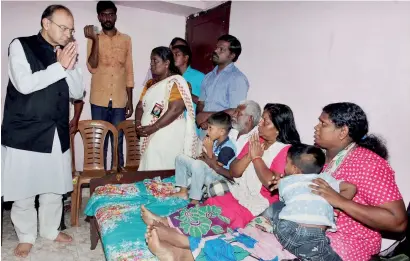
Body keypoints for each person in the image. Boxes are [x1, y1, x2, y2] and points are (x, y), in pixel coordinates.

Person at [143, 102, 408, 261]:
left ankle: (185, 253)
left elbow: (397, 222)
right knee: (249, 235)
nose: (316, 127)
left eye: (323, 123)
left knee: (261, 248)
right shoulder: (324, 160)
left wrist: (337, 199)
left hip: (342, 242)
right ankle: (187, 247)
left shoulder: (369, 163)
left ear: (343, 132)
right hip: (302, 225)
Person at [140, 103, 301, 238]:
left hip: (258, 202)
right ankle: (167, 221)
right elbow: (235, 171)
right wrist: (250, 156)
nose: (260, 124)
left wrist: (257, 158)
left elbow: (269, 182)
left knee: (225, 213)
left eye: (265, 122)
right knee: (214, 189)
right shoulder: (255, 140)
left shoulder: (285, 151)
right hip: (239, 189)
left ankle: (174, 231)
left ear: (278, 128)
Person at [1, 4, 84, 258]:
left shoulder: (66, 52)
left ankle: (49, 229)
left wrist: (68, 67)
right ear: (46, 23)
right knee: (23, 189)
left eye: (71, 29)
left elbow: (78, 92)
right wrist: (59, 67)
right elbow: (24, 84)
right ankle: (26, 236)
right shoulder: (20, 45)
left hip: (55, 131)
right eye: (63, 28)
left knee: (54, 188)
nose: (68, 33)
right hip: (24, 130)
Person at [264, 144, 356, 261]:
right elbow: (351, 188)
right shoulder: (325, 179)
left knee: (277, 207)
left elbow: (285, 203)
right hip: (315, 236)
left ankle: (265, 216)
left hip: (286, 229)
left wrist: (282, 183)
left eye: (287, 162)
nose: (284, 166)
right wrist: (335, 207)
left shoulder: (285, 181)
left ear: (294, 169)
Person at [84, 0, 134, 170]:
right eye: (104, 14)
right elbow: (92, 66)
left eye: (111, 14)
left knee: (118, 139)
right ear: (99, 17)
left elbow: (129, 70)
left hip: (120, 99)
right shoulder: (93, 38)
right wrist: (95, 41)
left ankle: (118, 178)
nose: (108, 18)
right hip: (99, 99)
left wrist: (130, 100)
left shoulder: (126, 40)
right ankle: (100, 179)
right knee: (100, 140)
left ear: (115, 16)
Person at [135, 47, 198, 171]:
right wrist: (137, 124)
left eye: (155, 61)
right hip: (148, 132)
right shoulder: (150, 84)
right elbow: (139, 106)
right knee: (150, 167)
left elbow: (175, 109)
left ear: (166, 63)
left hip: (169, 133)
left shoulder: (177, 82)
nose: (151, 64)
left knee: (164, 169)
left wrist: (154, 127)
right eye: (150, 61)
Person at [172, 112, 236, 204]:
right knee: (180, 158)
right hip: (207, 171)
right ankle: (183, 191)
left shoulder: (228, 148)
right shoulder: (215, 141)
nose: (207, 131)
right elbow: (205, 158)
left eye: (211, 128)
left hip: (219, 178)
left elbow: (217, 166)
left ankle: (195, 200)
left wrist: (209, 149)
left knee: (198, 164)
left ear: (222, 131)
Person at [196, 34, 249, 139]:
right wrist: (201, 120)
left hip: (222, 135)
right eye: (216, 47)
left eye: (221, 49)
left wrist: (207, 119)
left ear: (232, 55)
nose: (216, 51)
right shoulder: (208, 77)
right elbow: (201, 103)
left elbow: (235, 111)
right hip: (203, 133)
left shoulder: (237, 79)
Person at [172, 44, 205, 135]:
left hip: (193, 124)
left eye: (177, 54)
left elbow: (205, 102)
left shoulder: (199, 76)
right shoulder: (172, 76)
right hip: (175, 124)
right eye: (172, 55)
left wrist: (188, 94)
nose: (173, 57)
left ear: (186, 58)